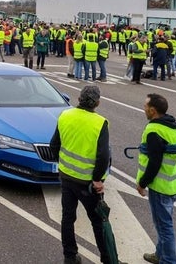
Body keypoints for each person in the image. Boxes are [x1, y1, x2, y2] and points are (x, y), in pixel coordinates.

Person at [50, 85, 113, 264]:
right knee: (98, 221)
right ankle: (107, 258)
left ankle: (70, 256)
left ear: (79, 99)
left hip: (67, 177)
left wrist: (63, 164)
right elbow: (103, 156)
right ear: (98, 103)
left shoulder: (65, 115)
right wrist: (98, 180)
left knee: (68, 218)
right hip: (88, 183)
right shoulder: (100, 122)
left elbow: (54, 145)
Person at [137, 93, 176, 264]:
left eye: (145, 106)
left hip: (161, 186)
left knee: (164, 227)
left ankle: (169, 261)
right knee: (162, 224)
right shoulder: (172, 125)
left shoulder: (154, 130)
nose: (143, 109)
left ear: (152, 110)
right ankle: (159, 255)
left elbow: (155, 162)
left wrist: (142, 183)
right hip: (174, 182)